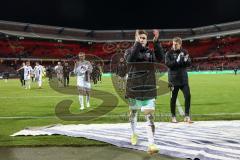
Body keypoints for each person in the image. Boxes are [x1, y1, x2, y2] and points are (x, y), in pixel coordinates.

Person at [125, 29, 164, 154]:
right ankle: (134, 134)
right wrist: (137, 44)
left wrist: (156, 41)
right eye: (140, 37)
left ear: (147, 40)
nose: (142, 39)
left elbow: (161, 58)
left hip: (148, 87)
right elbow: (131, 59)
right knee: (133, 114)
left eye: (144, 38)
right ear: (136, 38)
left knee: (150, 116)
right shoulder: (129, 51)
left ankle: (151, 144)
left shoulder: (150, 52)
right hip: (134, 88)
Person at [165, 37, 193, 123]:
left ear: (180, 44)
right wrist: (176, 61)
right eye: (173, 44)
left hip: (183, 79)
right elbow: (168, 64)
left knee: (188, 96)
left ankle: (187, 116)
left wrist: (186, 60)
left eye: (176, 44)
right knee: (173, 98)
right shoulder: (168, 53)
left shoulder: (184, 52)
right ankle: (173, 116)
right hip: (173, 80)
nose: (174, 45)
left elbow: (189, 63)